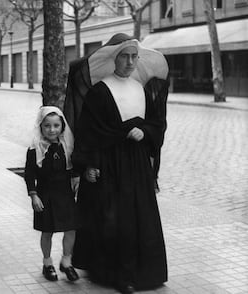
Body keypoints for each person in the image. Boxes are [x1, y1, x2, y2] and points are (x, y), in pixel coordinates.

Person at [69, 33, 169, 293]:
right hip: (109, 163)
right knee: (115, 219)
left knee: (139, 215)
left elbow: (157, 124)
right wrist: (89, 164)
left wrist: (145, 132)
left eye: (134, 56)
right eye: (125, 56)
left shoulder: (141, 89)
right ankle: (117, 274)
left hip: (136, 165)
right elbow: (88, 132)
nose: (130, 62)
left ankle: (144, 270)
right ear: (115, 58)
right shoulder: (101, 91)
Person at [24, 106, 80, 282]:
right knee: (47, 231)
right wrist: (33, 195)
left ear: (62, 126)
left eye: (56, 125)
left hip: (65, 195)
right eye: (47, 125)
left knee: (71, 228)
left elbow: (74, 169)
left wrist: (78, 182)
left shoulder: (67, 147)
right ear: (40, 127)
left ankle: (66, 261)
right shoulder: (35, 149)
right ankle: (47, 263)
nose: (52, 129)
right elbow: (29, 174)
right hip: (45, 195)